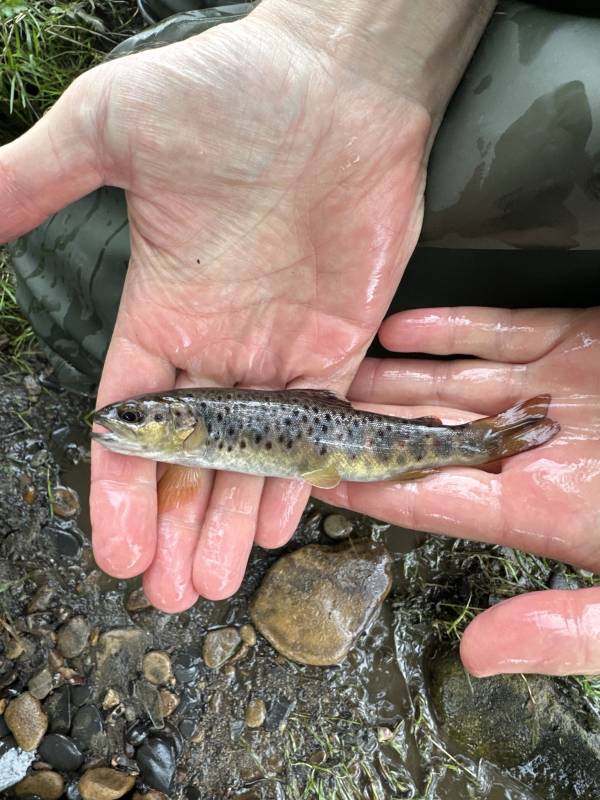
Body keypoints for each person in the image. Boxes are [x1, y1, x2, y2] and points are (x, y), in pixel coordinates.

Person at [1, 0, 598, 677]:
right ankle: (479, 441)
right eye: (135, 418)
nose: (125, 421)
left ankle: (483, 442)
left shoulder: (206, 422)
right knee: (92, 272)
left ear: (180, 424)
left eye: (138, 417)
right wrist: (350, 57)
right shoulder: (207, 420)